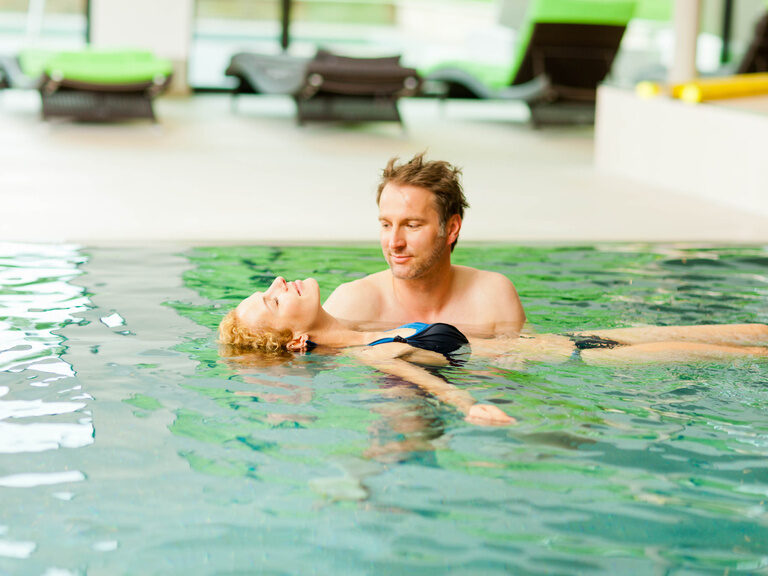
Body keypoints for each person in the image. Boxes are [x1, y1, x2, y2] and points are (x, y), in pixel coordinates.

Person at [219, 277, 768, 425]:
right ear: (296, 341)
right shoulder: (370, 352)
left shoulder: (361, 324)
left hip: (572, 340)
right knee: (743, 356)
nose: (279, 282)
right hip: (585, 360)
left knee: (751, 331)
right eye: (272, 300)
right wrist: (471, 406)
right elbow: (427, 384)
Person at [323, 152, 526, 337]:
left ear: (451, 228)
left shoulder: (492, 297)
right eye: (386, 225)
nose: (394, 243)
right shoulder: (353, 302)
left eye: (412, 225)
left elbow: (523, 357)